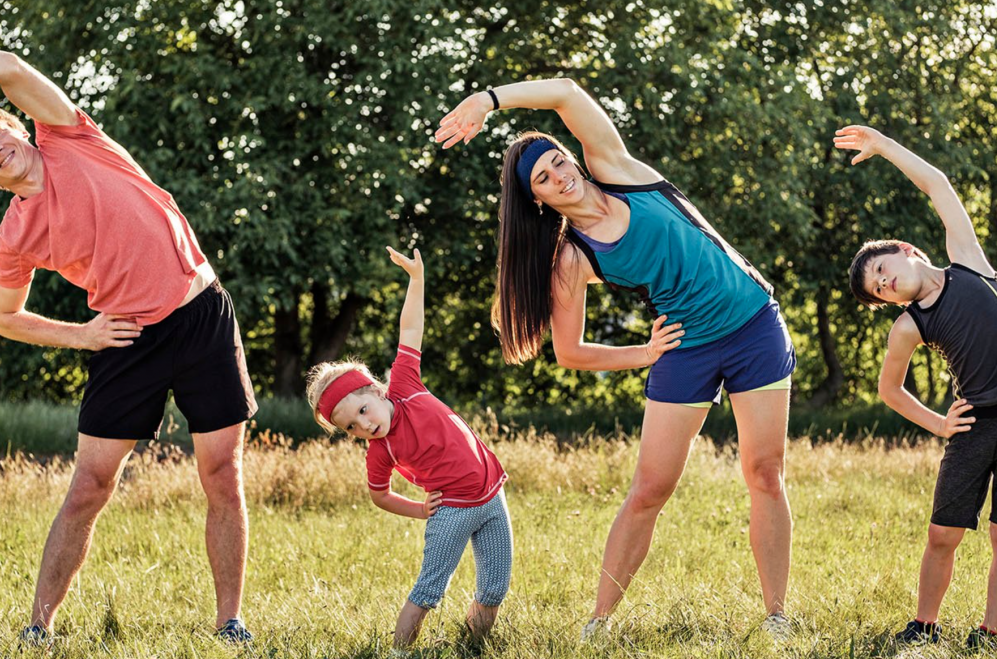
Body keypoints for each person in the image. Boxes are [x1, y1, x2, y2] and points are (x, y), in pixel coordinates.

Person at [434, 78, 796, 639]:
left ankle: (777, 616)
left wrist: (488, 100)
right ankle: (598, 623)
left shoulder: (617, 169)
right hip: (686, 348)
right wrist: (644, 353)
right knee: (650, 488)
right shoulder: (573, 258)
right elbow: (569, 352)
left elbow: (567, 93)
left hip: (754, 325)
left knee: (764, 473)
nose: (560, 175)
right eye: (544, 178)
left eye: (557, 161)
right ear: (538, 199)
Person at [0, 50, 258, 643]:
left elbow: (8, 66)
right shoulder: (14, 238)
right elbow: (6, 318)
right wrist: (82, 336)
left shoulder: (71, 135)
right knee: (89, 487)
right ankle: (38, 629)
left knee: (222, 474)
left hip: (202, 315)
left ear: (19, 128)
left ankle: (230, 622)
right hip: (125, 339)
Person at [305, 247, 512, 655]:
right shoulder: (379, 452)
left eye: (362, 410)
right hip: (451, 510)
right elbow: (378, 494)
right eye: (351, 426)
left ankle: (472, 646)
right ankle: (400, 652)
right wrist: (419, 510)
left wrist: (416, 279)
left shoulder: (406, 385)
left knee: (494, 587)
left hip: (493, 495)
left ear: (377, 391)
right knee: (428, 591)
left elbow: (411, 328)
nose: (363, 425)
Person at [842, 124, 997, 650]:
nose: (885, 284)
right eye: (878, 290)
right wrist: (938, 422)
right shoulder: (911, 325)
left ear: (907, 251)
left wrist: (884, 145)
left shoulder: (967, 262)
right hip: (975, 424)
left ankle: (990, 630)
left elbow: (938, 186)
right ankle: (924, 625)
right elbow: (890, 389)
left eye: (883, 270)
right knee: (943, 533)